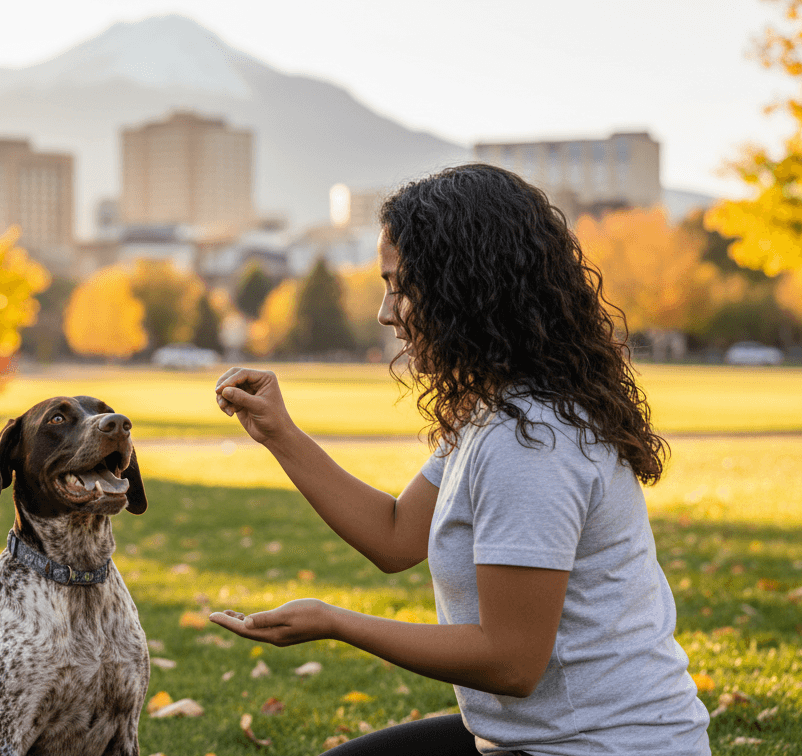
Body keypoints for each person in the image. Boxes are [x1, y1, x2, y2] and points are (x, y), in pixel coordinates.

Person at [208, 164, 710, 755]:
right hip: (536, 740)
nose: (385, 311)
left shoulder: (531, 439)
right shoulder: (494, 411)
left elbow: (512, 662)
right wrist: (279, 433)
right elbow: (396, 536)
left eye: (400, 286)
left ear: (463, 288)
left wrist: (335, 622)